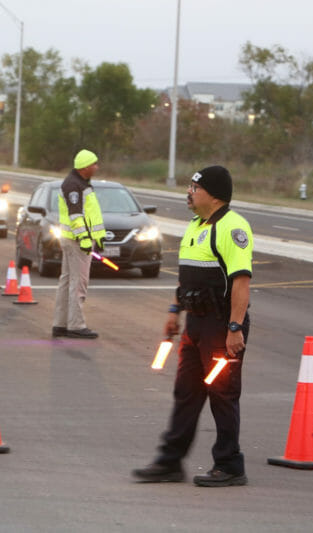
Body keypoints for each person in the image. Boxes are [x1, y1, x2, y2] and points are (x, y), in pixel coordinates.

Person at [132, 165, 253, 487]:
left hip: (221, 327)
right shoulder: (195, 226)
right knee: (186, 392)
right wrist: (175, 310)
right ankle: (170, 463)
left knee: (222, 394)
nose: (189, 192)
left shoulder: (232, 227)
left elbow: (241, 283)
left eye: (194, 187)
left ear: (213, 195)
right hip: (196, 324)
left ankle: (229, 465)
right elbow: (188, 277)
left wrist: (235, 328)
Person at [52, 149, 106, 339]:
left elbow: (89, 215)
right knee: (78, 282)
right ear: (85, 167)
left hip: (73, 239)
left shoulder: (78, 183)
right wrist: (84, 238)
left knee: (67, 280)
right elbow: (76, 215)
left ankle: (61, 323)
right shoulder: (74, 186)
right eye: (94, 164)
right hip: (76, 241)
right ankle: (75, 325)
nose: (97, 167)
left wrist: (97, 236)